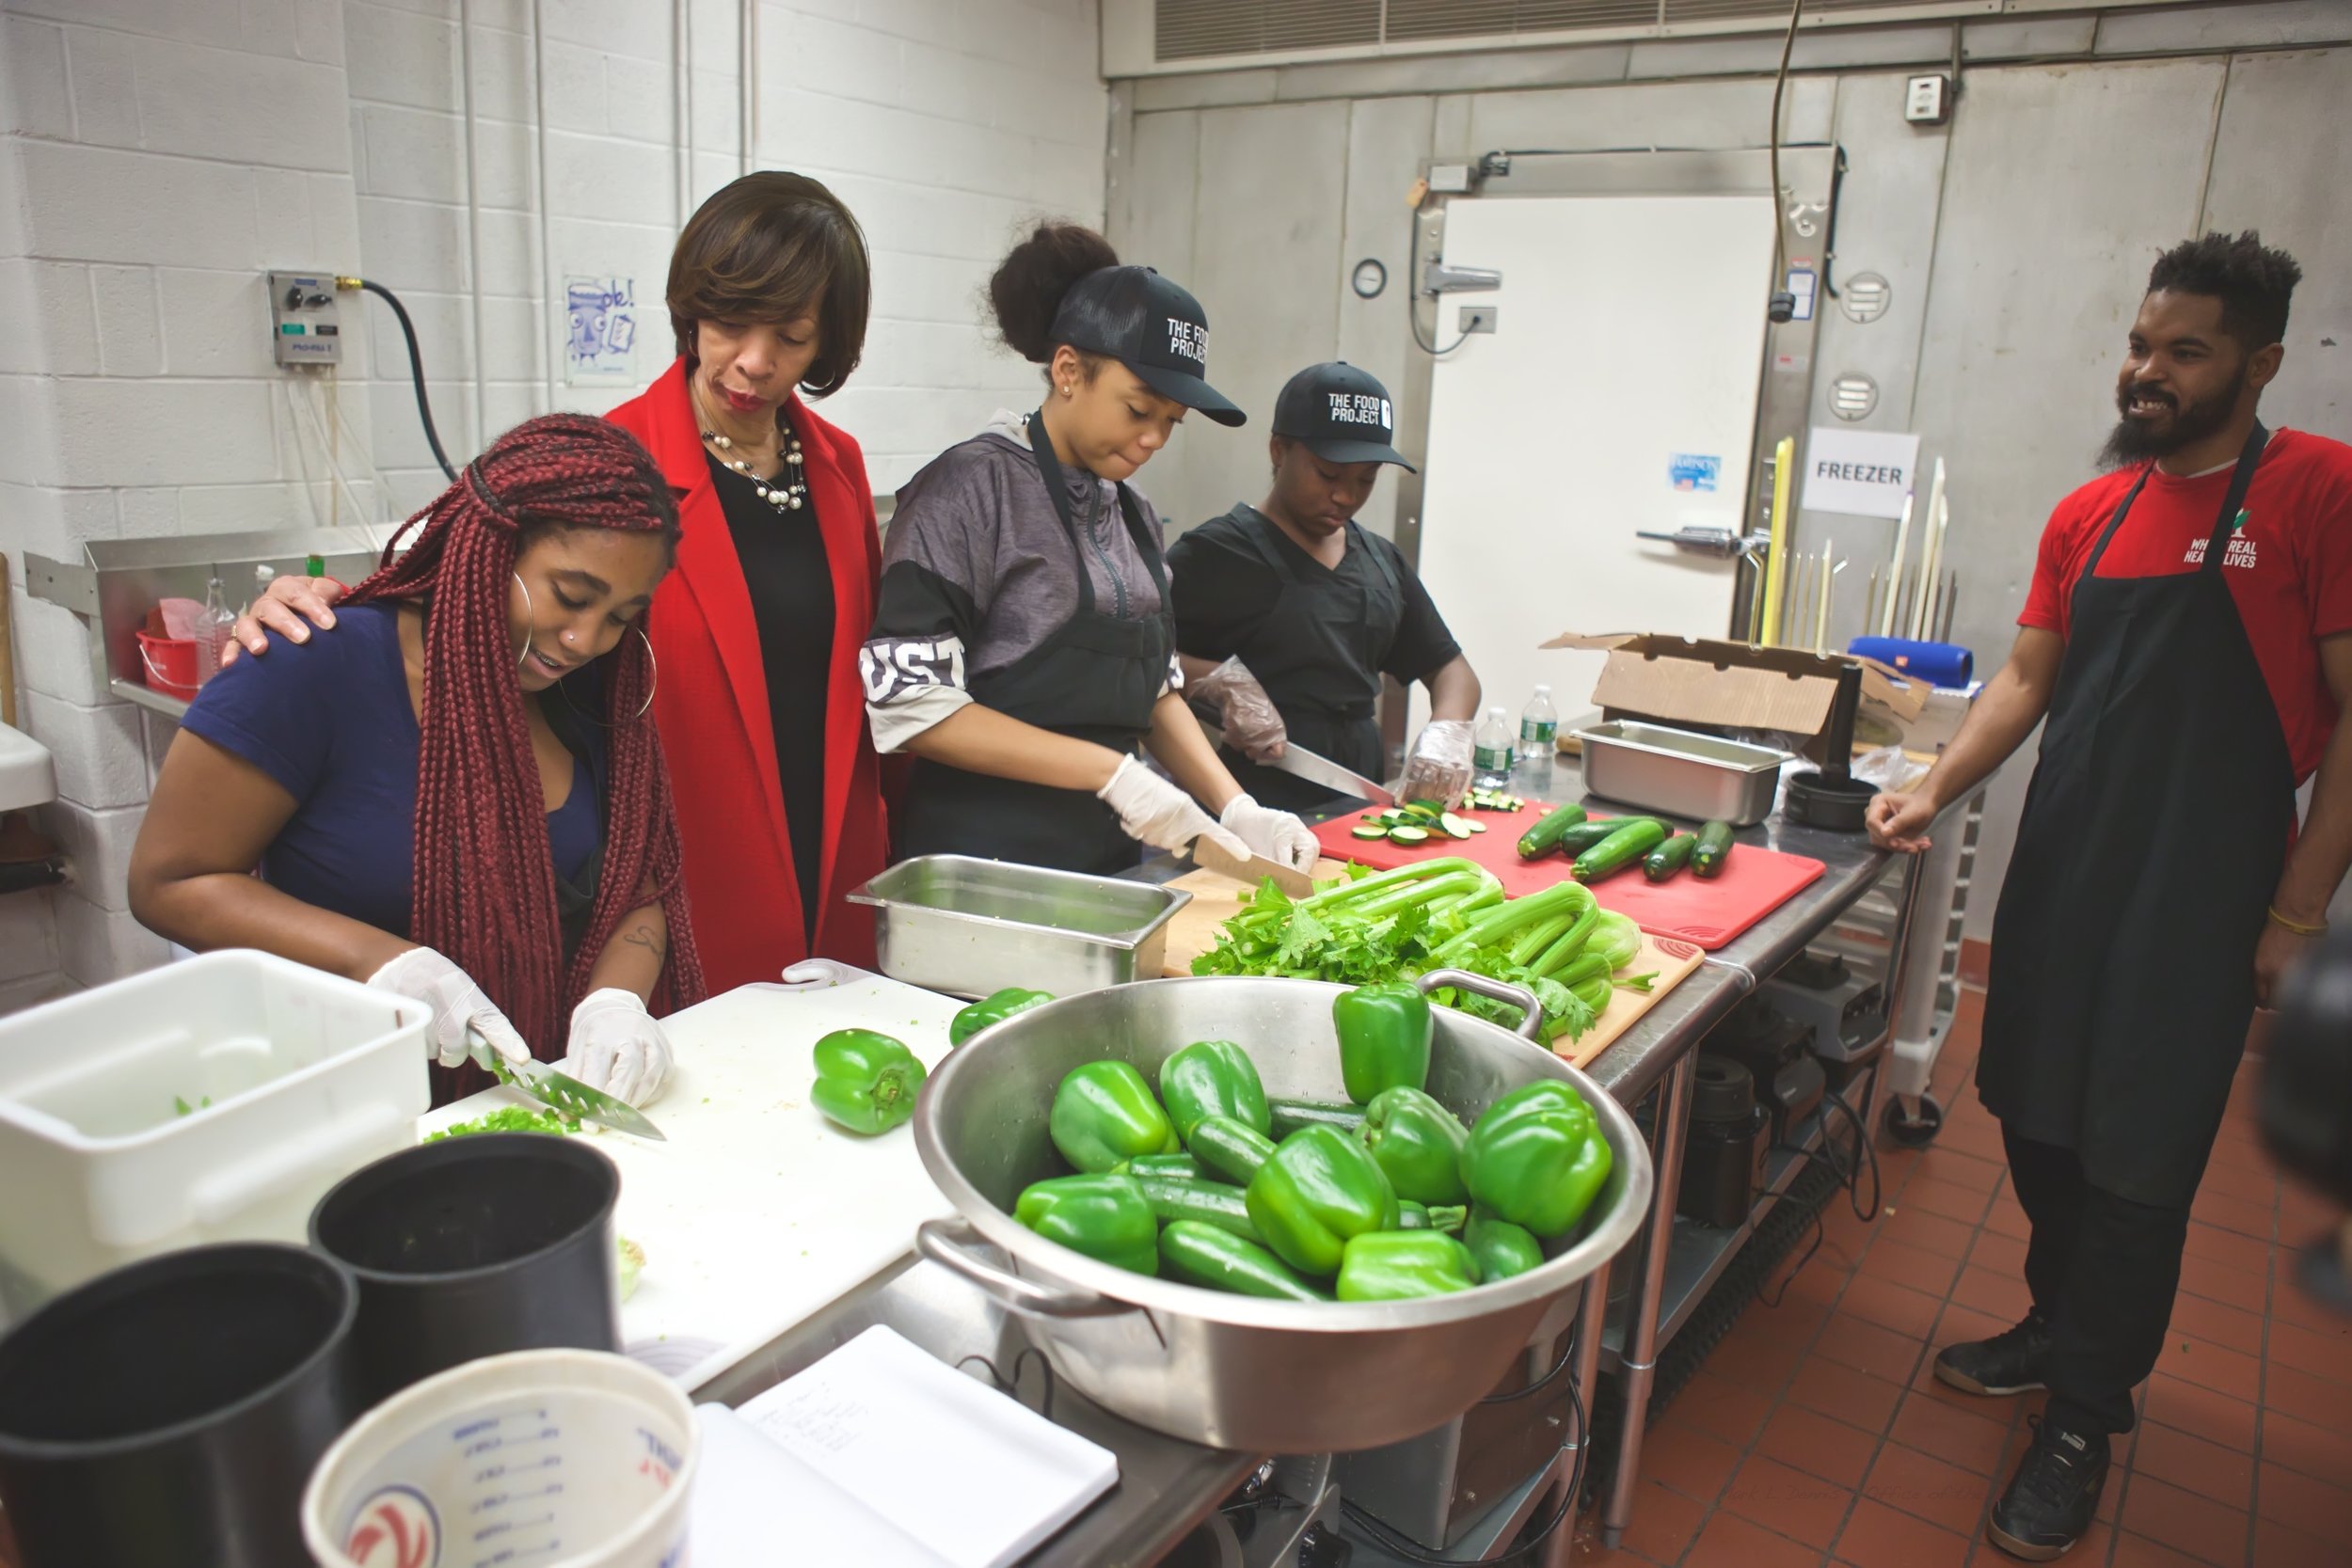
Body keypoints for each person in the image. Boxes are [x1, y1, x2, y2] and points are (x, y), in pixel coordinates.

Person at [1867, 232, 2352, 1560]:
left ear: (2256, 361)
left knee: (2138, 1161)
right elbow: (2027, 682)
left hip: (2201, 889)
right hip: (2069, 865)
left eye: (2184, 350)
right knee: (2036, 1115)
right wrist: (1931, 784)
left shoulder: (2319, 490)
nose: (2147, 370)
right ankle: (2060, 1320)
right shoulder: (2094, 511)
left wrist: (2298, 908)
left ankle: (2085, 1408)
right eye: (2142, 342)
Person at [225, 173, 891, 990]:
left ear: (827, 342)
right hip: (670, 867)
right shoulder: (608, 468)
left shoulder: (838, 467)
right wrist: (319, 602)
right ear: (692, 307)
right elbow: (460, 598)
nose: (753, 361)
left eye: (789, 336)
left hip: (827, 848)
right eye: (729, 323)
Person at [130, 415, 707, 1108]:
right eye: (571, 596)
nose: (585, 638)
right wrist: (378, 959)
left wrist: (616, 998)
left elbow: (638, 878)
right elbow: (169, 881)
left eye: (620, 616)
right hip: (347, 1106)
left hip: (529, 1111)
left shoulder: (587, 693)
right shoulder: (310, 666)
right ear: (490, 549)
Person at [859, 223, 1318, 875]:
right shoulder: (968, 490)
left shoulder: (1129, 512)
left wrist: (1235, 804)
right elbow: (911, 707)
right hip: (980, 868)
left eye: (1171, 423)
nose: (1155, 438)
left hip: (1107, 868)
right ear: (1069, 370)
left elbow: (1152, 688)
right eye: (1138, 410)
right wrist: (1112, 773)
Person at [1168, 361, 1482, 811]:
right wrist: (1217, 683)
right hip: (1250, 798)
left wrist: (1447, 733)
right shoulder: (1215, 553)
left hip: (1357, 792)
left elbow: (1452, 670)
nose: (1347, 497)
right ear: (1279, 450)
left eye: (1366, 479)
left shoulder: (1380, 561)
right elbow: (1137, 659)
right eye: (1329, 475)